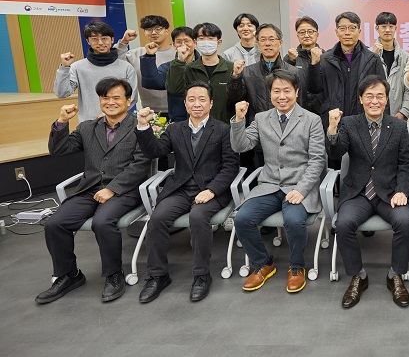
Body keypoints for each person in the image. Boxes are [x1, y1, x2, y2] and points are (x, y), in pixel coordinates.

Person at [36, 78, 152, 304]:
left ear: (128, 101)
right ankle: (68, 275)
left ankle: (113, 275)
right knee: (54, 224)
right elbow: (59, 150)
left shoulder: (139, 127)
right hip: (88, 189)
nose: (110, 102)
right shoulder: (88, 127)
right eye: (105, 98)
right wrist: (61, 122)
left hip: (124, 191)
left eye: (116, 97)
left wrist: (112, 188)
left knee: (102, 222)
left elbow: (140, 165)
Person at [134, 81, 240, 303]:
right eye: (191, 100)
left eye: (202, 99)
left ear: (211, 103)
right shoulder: (175, 129)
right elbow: (155, 150)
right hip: (181, 188)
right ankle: (157, 275)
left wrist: (212, 190)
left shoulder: (223, 130)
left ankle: (201, 276)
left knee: (198, 217)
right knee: (157, 218)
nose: (197, 104)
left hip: (210, 190)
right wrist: (143, 126)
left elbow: (231, 167)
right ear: (185, 104)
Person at [230, 70, 326, 294]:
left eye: (287, 91)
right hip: (270, 184)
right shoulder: (261, 118)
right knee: (242, 218)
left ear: (297, 92)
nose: (282, 96)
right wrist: (238, 121)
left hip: (299, 185)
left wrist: (302, 190)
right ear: (270, 93)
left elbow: (317, 160)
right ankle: (263, 263)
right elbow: (241, 146)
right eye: (276, 91)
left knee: (293, 220)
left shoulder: (311, 120)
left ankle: (296, 266)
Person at [326, 75, 409, 308]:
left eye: (380, 96)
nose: (374, 101)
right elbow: (336, 153)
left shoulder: (398, 126)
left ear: (386, 100)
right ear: (361, 99)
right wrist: (333, 128)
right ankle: (358, 277)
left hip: (389, 193)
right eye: (369, 96)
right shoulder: (349, 123)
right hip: (359, 192)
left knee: (405, 222)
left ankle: (395, 274)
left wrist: (402, 191)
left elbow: (406, 164)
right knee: (343, 224)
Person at [228, 23, 321, 123]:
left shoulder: (293, 71)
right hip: (257, 127)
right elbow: (234, 99)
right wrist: (235, 76)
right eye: (263, 39)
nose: (267, 43)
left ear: (280, 43)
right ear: (258, 44)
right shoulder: (247, 71)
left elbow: (301, 104)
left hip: (287, 127)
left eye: (272, 39)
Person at [54, 21, 138, 122]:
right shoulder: (77, 67)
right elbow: (62, 93)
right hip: (88, 124)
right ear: (88, 41)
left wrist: (108, 114)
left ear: (112, 40)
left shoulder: (126, 67)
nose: (100, 43)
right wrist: (64, 68)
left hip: (119, 123)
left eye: (104, 38)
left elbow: (131, 97)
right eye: (95, 39)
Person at [319, 11, 386, 128]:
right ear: (336, 32)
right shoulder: (326, 59)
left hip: (365, 121)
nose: (347, 33)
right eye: (342, 28)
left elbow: (382, 91)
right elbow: (318, 92)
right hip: (334, 121)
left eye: (352, 28)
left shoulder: (372, 59)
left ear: (359, 31)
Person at [166, 22, 234, 122]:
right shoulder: (189, 68)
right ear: (196, 42)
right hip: (196, 125)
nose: (206, 42)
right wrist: (180, 61)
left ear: (219, 42)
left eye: (210, 38)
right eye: (202, 38)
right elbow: (173, 89)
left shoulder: (231, 68)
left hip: (225, 126)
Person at [115, 15, 176, 113]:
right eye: (149, 29)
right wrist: (124, 41)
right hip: (149, 111)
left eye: (158, 29)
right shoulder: (136, 54)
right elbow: (117, 62)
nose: (153, 32)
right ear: (144, 33)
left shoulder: (179, 53)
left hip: (179, 109)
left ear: (166, 31)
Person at [140, 26, 197, 122]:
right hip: (179, 118)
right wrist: (149, 56)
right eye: (179, 42)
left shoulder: (204, 64)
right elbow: (152, 83)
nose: (183, 45)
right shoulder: (168, 67)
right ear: (174, 46)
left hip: (203, 115)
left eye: (187, 41)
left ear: (195, 43)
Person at [370, 12, 409, 120]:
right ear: (377, 28)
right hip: (373, 113)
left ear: (395, 29)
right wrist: (373, 57)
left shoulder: (406, 57)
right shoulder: (368, 54)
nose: (387, 30)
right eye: (383, 27)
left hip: (398, 115)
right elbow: (363, 83)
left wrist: (404, 112)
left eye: (391, 27)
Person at [285, 16, 324, 114]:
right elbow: (284, 82)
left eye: (310, 32)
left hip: (321, 110)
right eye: (302, 32)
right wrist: (290, 61)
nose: (306, 35)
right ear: (297, 35)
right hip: (296, 111)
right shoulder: (290, 57)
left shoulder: (326, 56)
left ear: (317, 34)